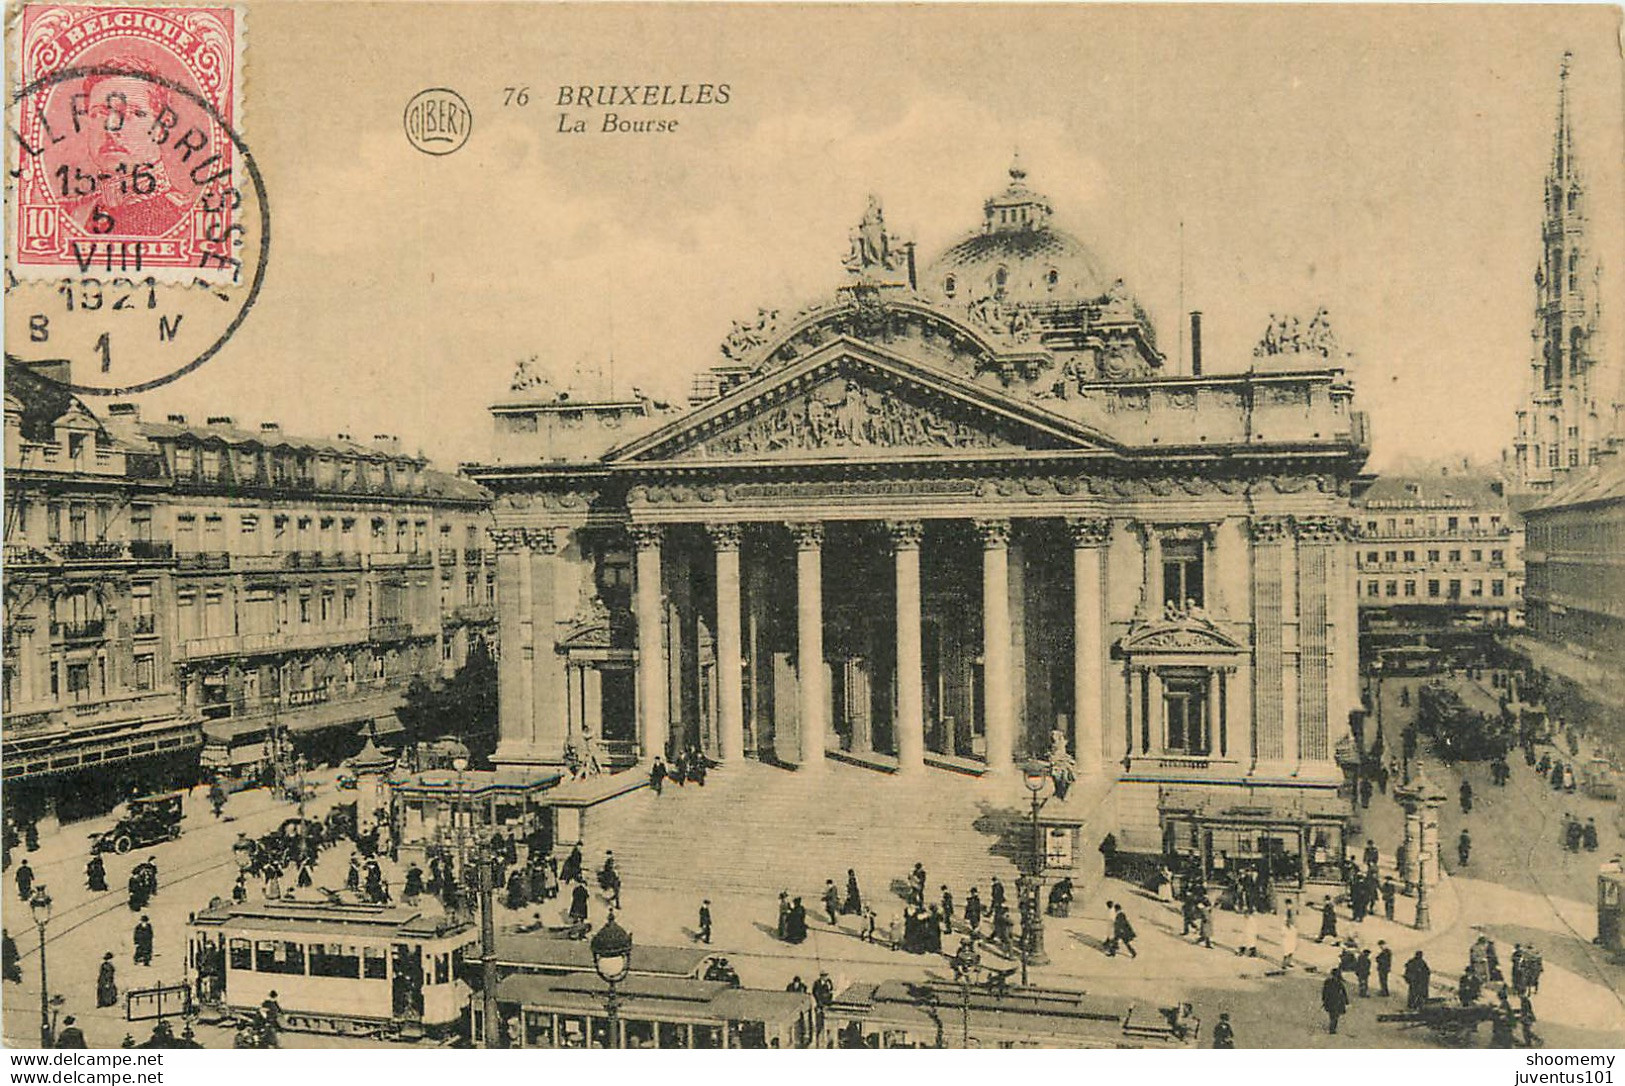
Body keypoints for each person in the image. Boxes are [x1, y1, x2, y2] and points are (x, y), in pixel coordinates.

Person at [1321, 969, 1350, 1034]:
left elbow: (1344, 992)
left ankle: (1332, 1027)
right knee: (1333, 1015)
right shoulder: (1330, 982)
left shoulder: (1337, 983)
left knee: (1335, 1015)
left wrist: (1346, 1001)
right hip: (1333, 1001)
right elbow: (1324, 991)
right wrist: (1324, 998)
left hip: (1336, 1001)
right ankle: (1332, 1028)